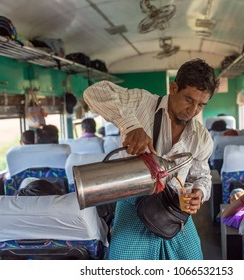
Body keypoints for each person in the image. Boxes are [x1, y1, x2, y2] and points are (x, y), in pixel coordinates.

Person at [83, 58, 218, 260]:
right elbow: (94, 92)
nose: (193, 110)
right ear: (173, 88)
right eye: (189, 100)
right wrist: (131, 125)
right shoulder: (141, 103)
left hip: (174, 210)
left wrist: (199, 192)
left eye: (200, 105)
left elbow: (202, 176)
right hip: (132, 206)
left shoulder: (201, 137)